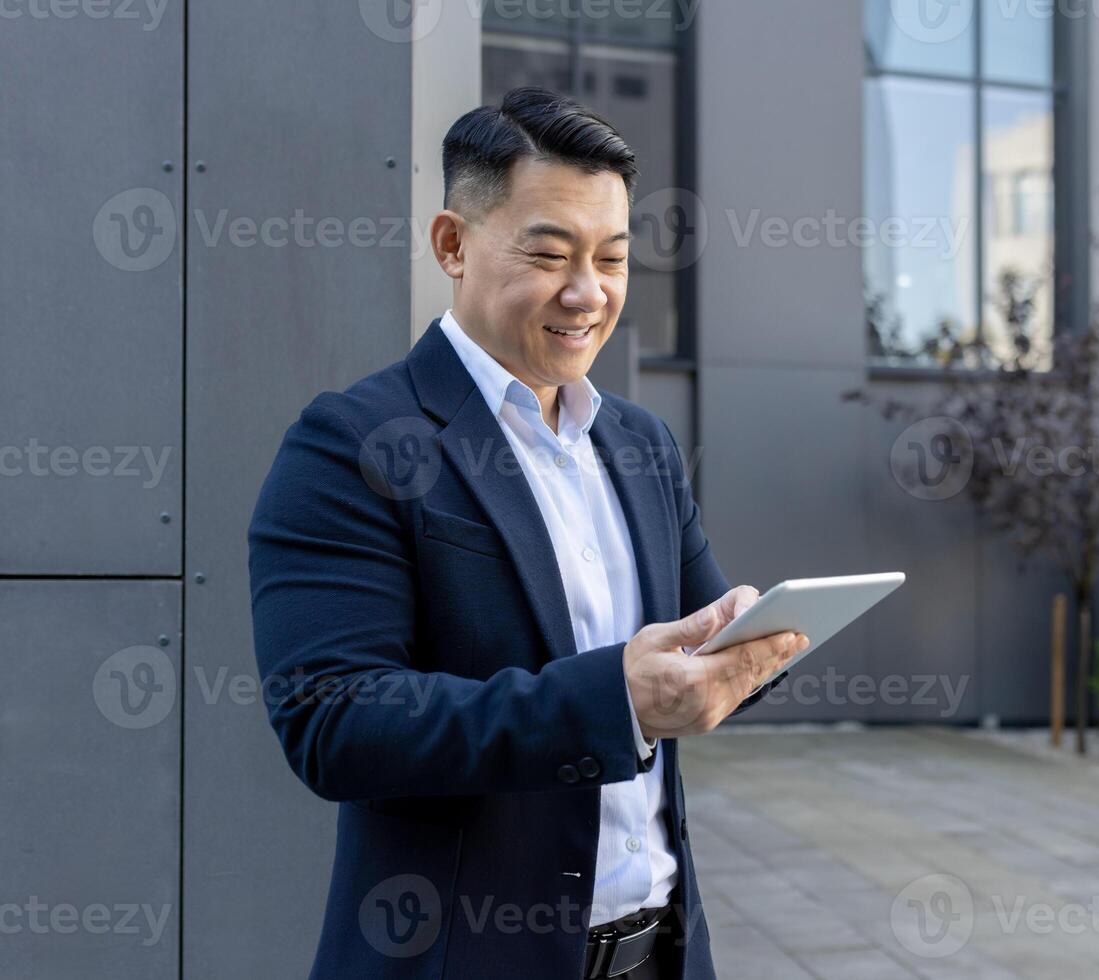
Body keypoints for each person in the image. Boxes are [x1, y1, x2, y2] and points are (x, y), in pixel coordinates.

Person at [247, 86, 808, 979]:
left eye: (613, 259)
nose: (587, 293)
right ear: (452, 244)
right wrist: (616, 702)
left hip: (661, 952)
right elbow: (334, 721)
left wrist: (748, 641)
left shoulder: (641, 444)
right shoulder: (354, 442)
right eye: (550, 253)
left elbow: (698, 647)